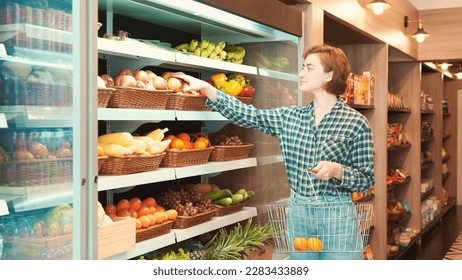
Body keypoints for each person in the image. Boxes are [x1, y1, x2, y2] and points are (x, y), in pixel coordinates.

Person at [172, 44, 375, 260]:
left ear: (329, 75)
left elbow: (365, 179)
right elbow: (249, 115)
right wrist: (209, 89)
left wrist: (337, 170)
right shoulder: (290, 117)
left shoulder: (356, 123)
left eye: (309, 68)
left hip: (338, 216)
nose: (301, 73)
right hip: (299, 213)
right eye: (302, 67)